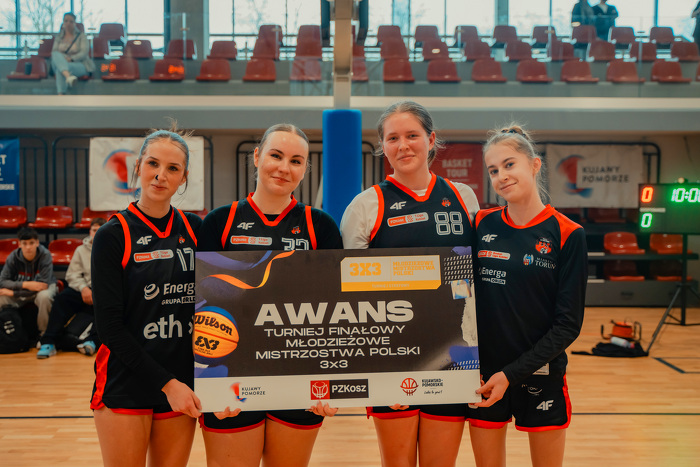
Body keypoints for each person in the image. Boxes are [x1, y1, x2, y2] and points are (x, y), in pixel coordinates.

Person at [340, 101, 480, 467]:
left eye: (412, 135)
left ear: (431, 140)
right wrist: (373, 370)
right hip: (391, 355)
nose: (403, 145)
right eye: (393, 138)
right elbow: (349, 292)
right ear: (383, 146)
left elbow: (475, 280)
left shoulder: (463, 197)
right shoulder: (365, 206)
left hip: (454, 354)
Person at [198, 123, 343, 467]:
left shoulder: (320, 226)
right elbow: (202, 304)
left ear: (305, 169)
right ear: (257, 157)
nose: (284, 167)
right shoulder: (220, 221)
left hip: (298, 375)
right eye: (276, 156)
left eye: (296, 161)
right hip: (230, 376)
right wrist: (208, 383)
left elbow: (335, 308)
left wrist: (331, 383)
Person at [466, 125, 587, 467]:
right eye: (493, 170)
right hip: (484, 375)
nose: (501, 176)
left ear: (534, 165)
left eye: (509, 164)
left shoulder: (568, 233)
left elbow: (568, 326)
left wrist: (511, 374)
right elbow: (460, 298)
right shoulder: (481, 224)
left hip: (541, 374)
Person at [89, 127, 203, 467]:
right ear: (138, 166)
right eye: (153, 163)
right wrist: (167, 384)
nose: (160, 175)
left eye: (172, 168)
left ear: (184, 177)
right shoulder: (113, 235)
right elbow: (109, 328)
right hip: (126, 380)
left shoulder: (196, 230)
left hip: (181, 380)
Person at [37, 217, 105, 359]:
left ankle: (92, 341)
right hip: (84, 289)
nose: (96, 233)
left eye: (100, 230)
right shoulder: (80, 250)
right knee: (62, 299)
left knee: (108, 306)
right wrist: (84, 288)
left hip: (103, 291)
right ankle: (48, 341)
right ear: (90, 231)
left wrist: (98, 292)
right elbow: (72, 275)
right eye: (94, 230)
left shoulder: (113, 248)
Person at [0, 227, 57, 342]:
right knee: (2, 297)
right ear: (19, 244)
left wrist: (14, 292)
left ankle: (44, 335)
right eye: (24, 243)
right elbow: (2, 281)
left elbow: (42, 286)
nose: (28, 247)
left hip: (42, 290)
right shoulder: (13, 257)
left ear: (37, 243)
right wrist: (26, 284)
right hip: (23, 290)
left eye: (31, 243)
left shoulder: (45, 255)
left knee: (44, 297)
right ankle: (5, 335)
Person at [51, 12, 95, 95]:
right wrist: (64, 58)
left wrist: (71, 59)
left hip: (79, 64)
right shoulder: (58, 37)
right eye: (66, 21)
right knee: (55, 54)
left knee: (60, 70)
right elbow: (54, 52)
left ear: (75, 23)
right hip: (61, 61)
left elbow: (84, 53)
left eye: (71, 21)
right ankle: (68, 77)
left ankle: (61, 95)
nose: (68, 23)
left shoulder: (82, 36)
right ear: (63, 22)